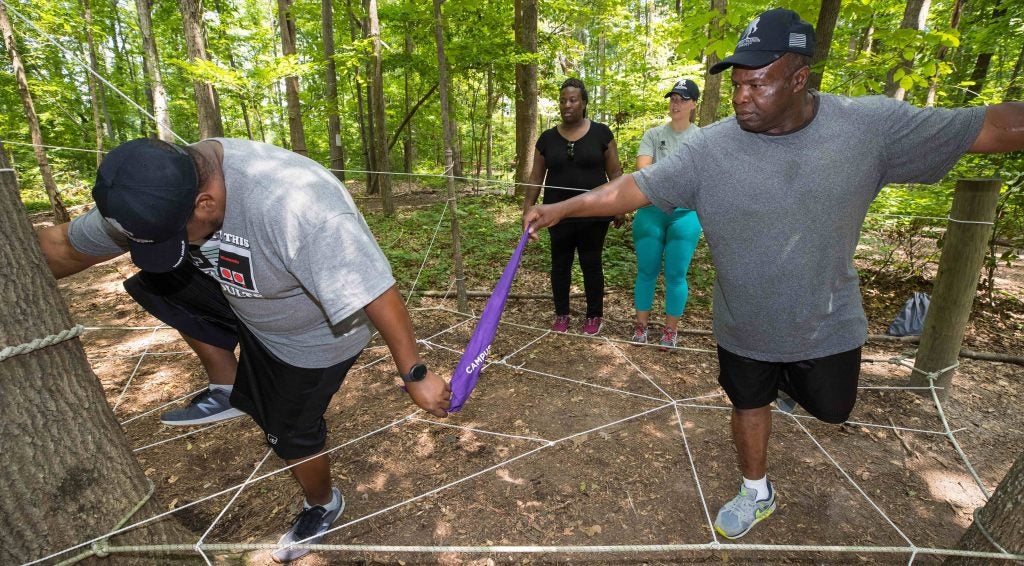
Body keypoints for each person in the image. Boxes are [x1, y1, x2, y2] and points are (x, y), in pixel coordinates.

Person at [523, 8, 1024, 541]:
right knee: (747, 403)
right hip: (743, 322)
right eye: (737, 83)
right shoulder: (709, 147)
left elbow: (989, 126)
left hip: (825, 321)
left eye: (757, 83)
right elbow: (630, 190)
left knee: (833, 408)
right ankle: (755, 490)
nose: (742, 96)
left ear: (799, 78)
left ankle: (789, 384)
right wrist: (561, 208)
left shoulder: (868, 126)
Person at [37, 138, 451, 562]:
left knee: (288, 430)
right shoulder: (156, 186)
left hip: (311, 334)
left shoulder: (297, 207)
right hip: (241, 297)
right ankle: (226, 385)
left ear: (205, 203)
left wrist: (415, 374)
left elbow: (376, 292)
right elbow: (62, 247)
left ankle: (323, 504)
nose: (162, 245)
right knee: (154, 280)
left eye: (171, 236)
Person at [522, 77, 623, 336]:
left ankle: (593, 315)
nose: (567, 105)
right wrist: (528, 208)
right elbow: (535, 176)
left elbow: (616, 172)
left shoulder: (602, 133)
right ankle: (562, 313)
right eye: (563, 100)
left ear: (584, 103)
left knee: (591, 262)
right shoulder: (546, 139)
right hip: (557, 214)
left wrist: (620, 205)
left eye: (573, 100)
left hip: (595, 214)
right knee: (560, 263)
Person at [632, 79, 703, 349]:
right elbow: (643, 171)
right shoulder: (653, 134)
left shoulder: (701, 138)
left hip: (686, 214)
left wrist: (664, 178)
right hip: (651, 210)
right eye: (673, 98)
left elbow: (701, 179)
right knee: (646, 269)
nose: (676, 103)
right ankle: (641, 326)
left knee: (676, 273)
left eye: (683, 99)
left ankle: (670, 331)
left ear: (693, 104)